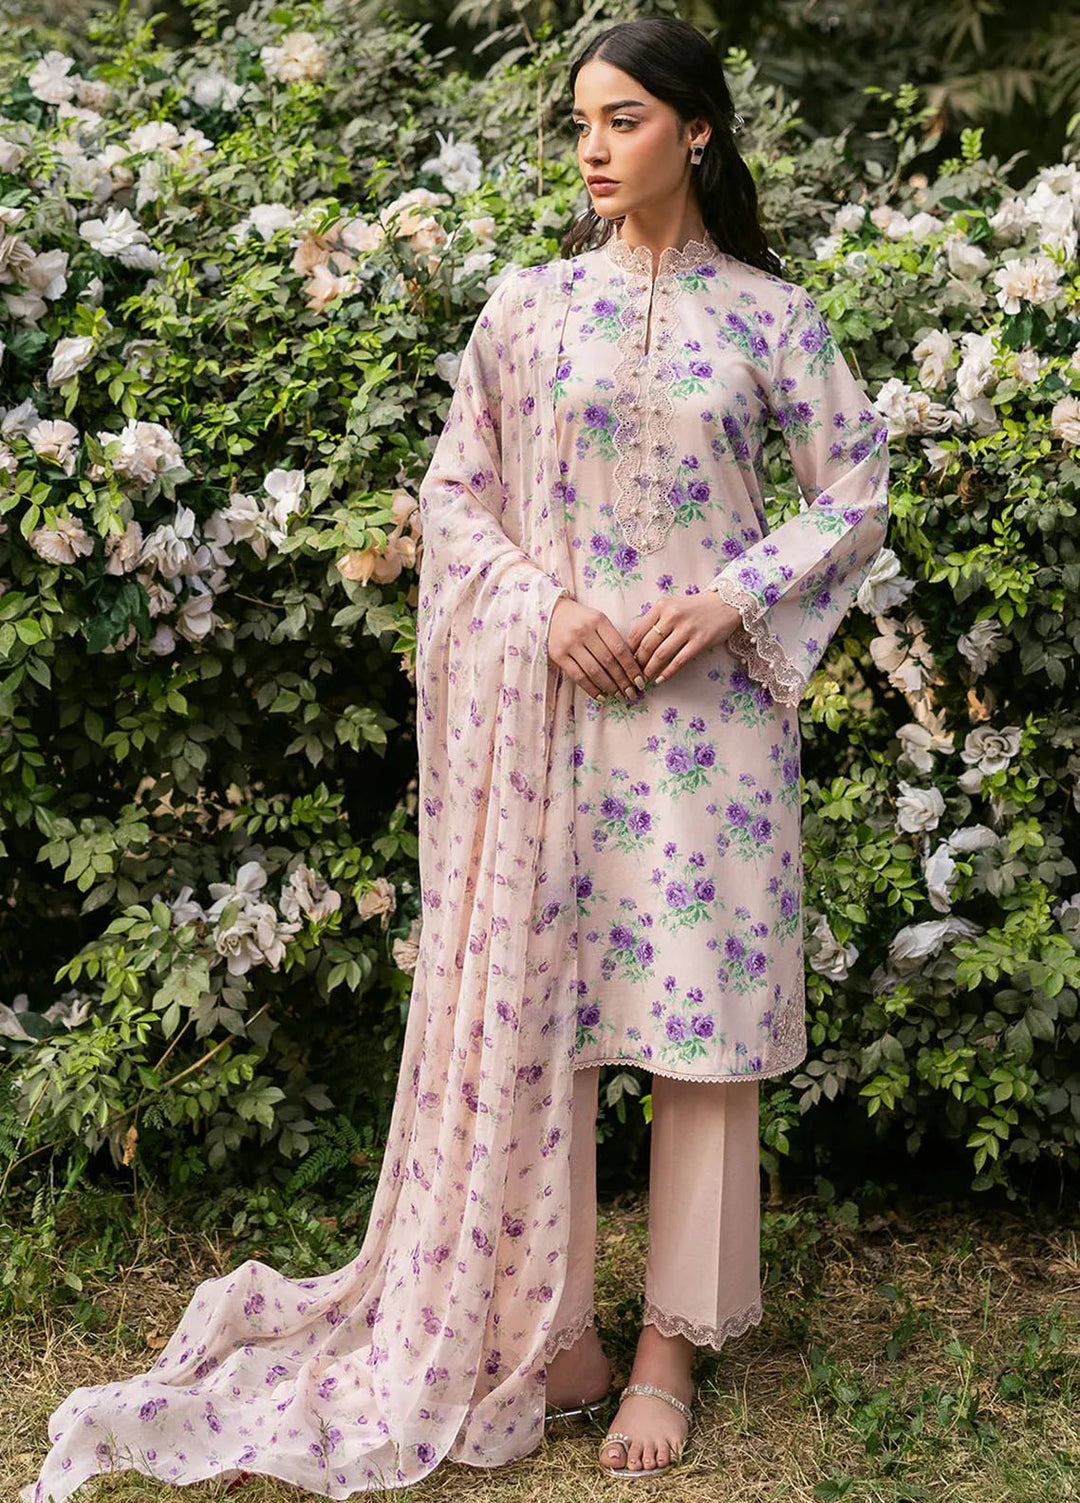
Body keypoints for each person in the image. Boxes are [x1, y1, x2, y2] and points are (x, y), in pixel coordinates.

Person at [24, 15, 888, 1501]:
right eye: (581, 124)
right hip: (547, 718)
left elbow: (854, 489)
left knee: (697, 1033)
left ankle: (672, 1348)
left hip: (708, 728)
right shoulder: (529, 309)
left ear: (696, 131)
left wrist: (729, 599)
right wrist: (547, 611)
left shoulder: (775, 320)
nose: (594, 149)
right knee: (543, 1009)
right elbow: (457, 499)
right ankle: (556, 1327)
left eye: (623, 120)